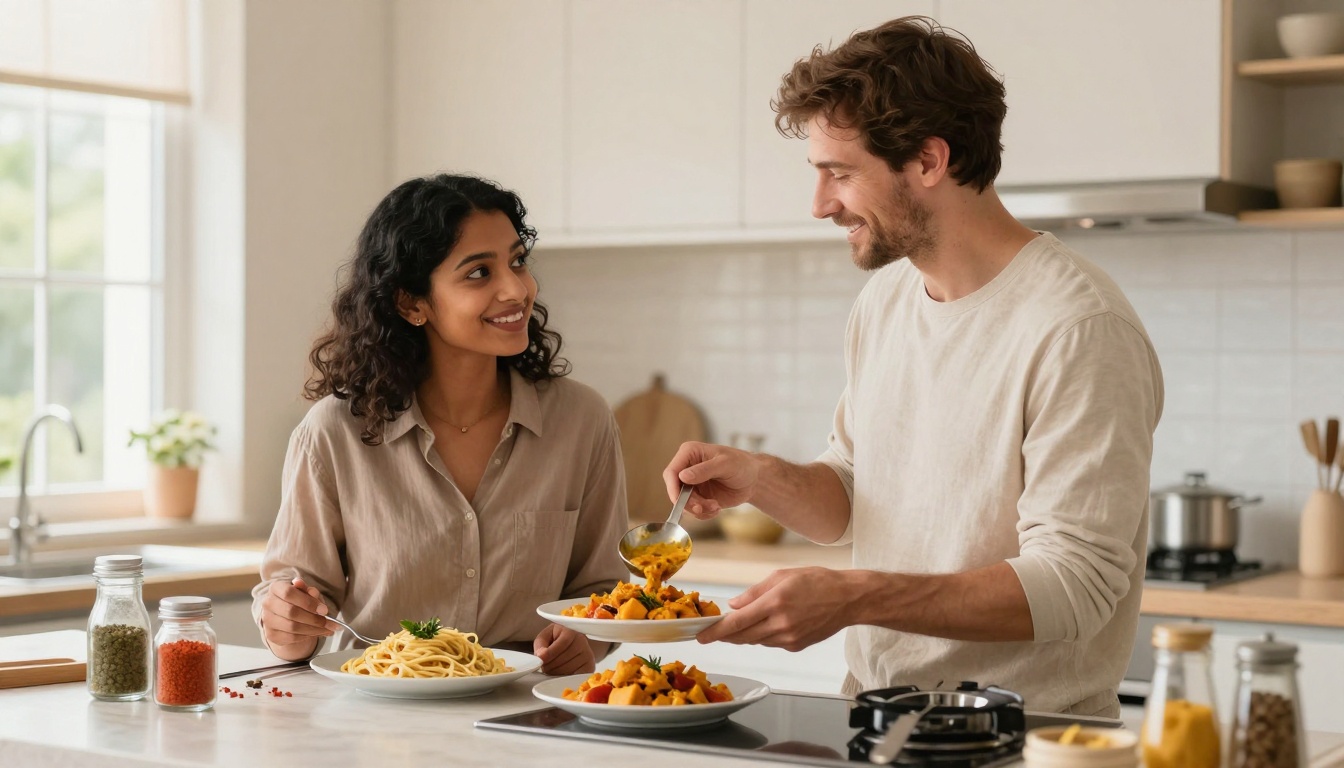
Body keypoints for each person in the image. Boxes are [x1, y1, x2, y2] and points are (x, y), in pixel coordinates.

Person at [665, 17, 1163, 716]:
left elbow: (1075, 585)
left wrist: (854, 596)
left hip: (1023, 739)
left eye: (840, 174)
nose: (820, 205)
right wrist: (757, 477)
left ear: (928, 161)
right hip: (876, 720)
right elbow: (853, 492)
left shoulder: (1077, 327)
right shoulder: (886, 299)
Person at [252, 174, 628, 675]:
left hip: (528, 716)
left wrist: (587, 636)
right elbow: (293, 599)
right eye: (478, 273)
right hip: (379, 717)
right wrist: (285, 621)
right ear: (412, 303)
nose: (516, 289)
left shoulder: (581, 420)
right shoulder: (333, 433)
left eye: (517, 262)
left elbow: (601, 589)